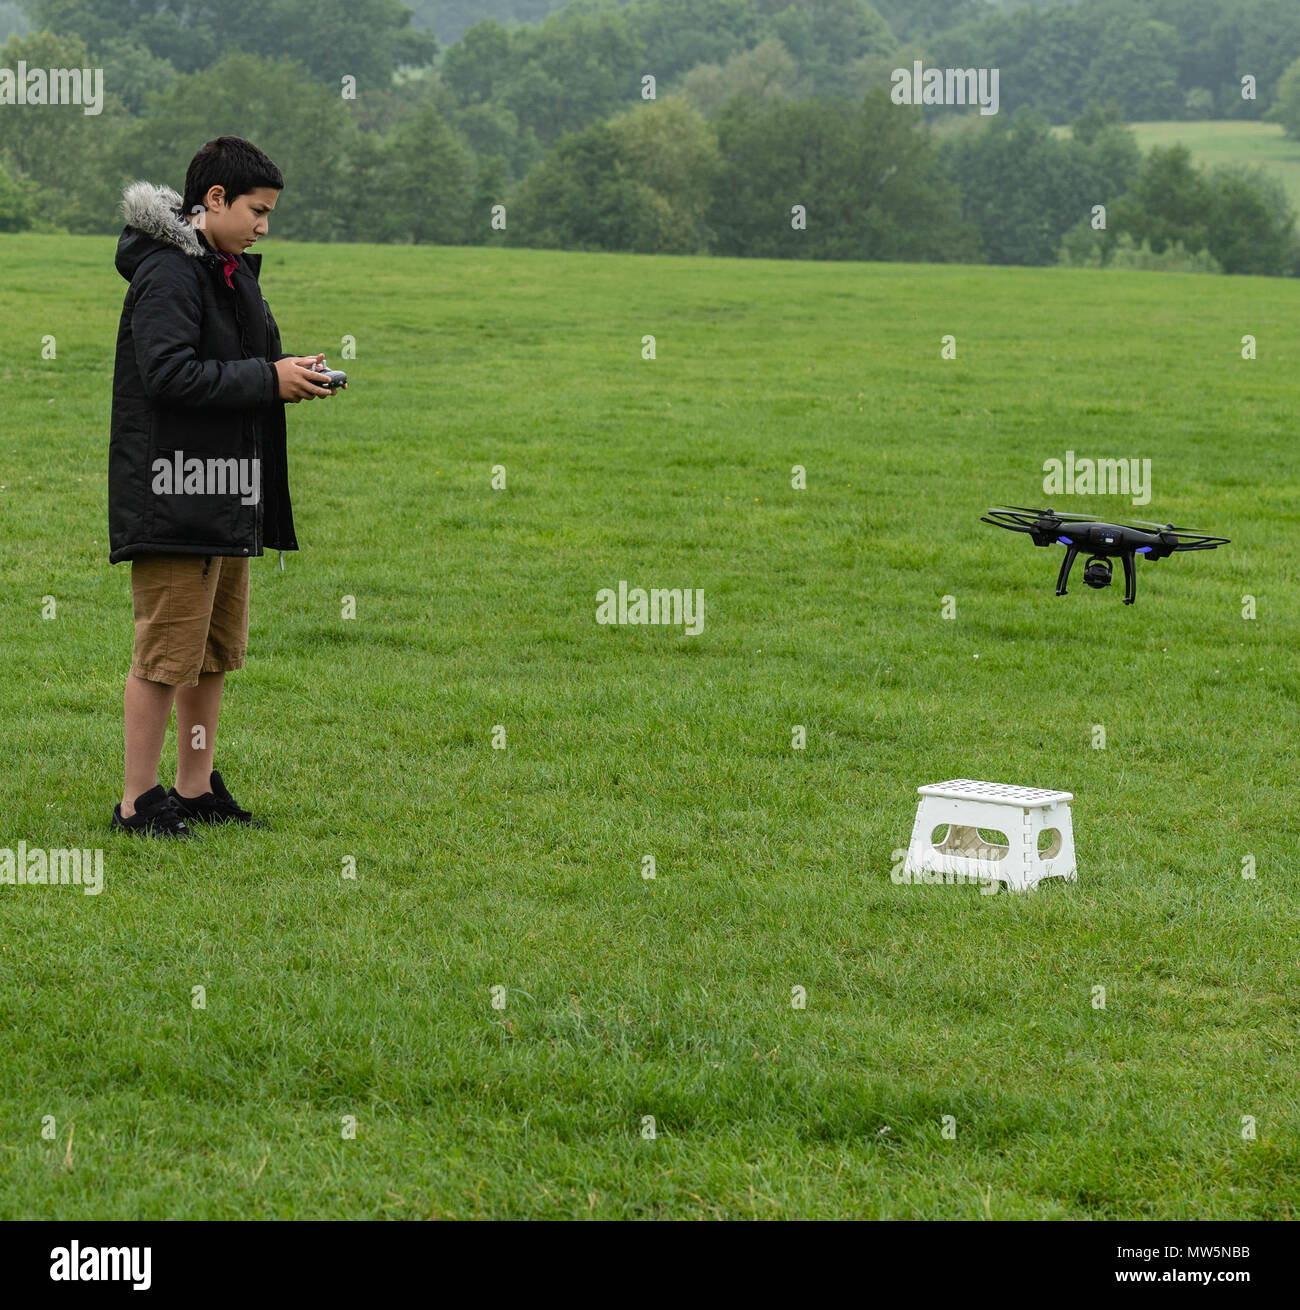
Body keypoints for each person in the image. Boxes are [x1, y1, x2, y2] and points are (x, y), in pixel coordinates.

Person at [108, 135, 344, 837]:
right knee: (163, 656)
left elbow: (245, 363)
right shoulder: (169, 276)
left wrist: (289, 367)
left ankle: (195, 785)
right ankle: (136, 802)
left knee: (210, 655)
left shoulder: (230, 272)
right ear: (214, 200)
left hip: (227, 492)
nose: (265, 226)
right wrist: (268, 379)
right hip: (175, 492)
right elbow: (169, 376)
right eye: (257, 211)